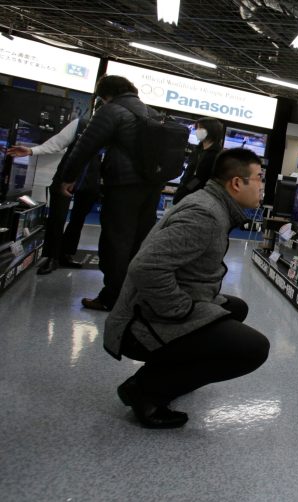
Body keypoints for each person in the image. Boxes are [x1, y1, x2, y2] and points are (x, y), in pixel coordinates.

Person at [104, 148, 270, 428]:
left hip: (154, 307)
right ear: (236, 183)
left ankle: (160, 375)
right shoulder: (205, 215)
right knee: (253, 348)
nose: (262, 186)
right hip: (138, 323)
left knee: (235, 308)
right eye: (259, 178)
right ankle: (146, 393)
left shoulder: (212, 205)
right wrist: (181, 310)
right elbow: (146, 268)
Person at [59, 75, 165, 311]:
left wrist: (68, 177)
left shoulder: (111, 111)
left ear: (104, 95)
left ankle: (111, 297)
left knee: (115, 241)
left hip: (122, 185)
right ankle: (132, 295)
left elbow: (85, 147)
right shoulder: (152, 113)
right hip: (151, 187)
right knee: (138, 242)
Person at [7, 110, 101, 275]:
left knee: (78, 220)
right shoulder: (81, 124)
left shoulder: (115, 131)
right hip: (66, 175)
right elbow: (57, 142)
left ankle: (66, 254)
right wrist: (31, 151)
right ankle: (51, 257)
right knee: (57, 217)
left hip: (91, 180)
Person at [172, 117, 224, 204]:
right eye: (197, 128)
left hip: (198, 198)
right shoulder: (197, 150)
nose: (197, 131)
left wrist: (185, 191)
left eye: (200, 128)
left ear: (211, 130)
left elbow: (199, 178)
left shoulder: (216, 154)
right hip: (185, 191)